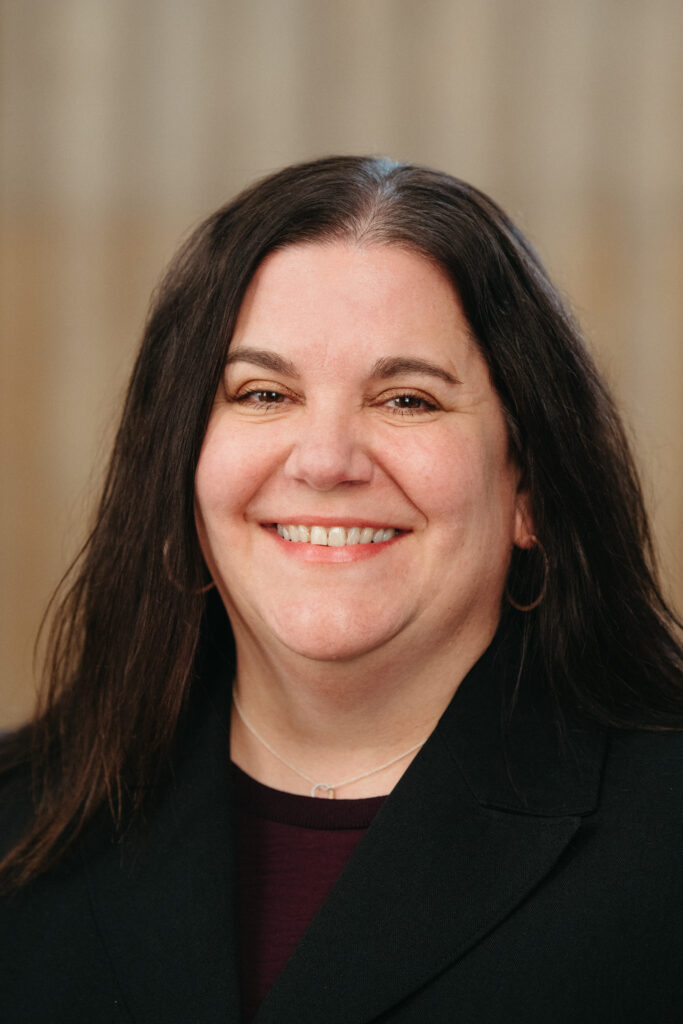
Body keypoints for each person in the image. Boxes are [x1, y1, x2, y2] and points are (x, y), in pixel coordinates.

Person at [1, 156, 681, 1023]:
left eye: (406, 401)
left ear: (530, 490)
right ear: (176, 468)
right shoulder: (21, 823)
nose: (325, 462)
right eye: (264, 393)